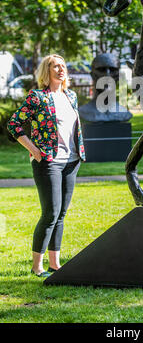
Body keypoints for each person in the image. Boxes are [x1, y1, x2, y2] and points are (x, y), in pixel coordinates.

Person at [7, 54, 86, 277]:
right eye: (55, 66)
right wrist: (33, 150)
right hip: (48, 162)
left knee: (61, 214)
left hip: (71, 161)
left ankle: (55, 264)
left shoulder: (71, 96)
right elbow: (14, 125)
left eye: (63, 66)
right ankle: (36, 266)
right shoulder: (38, 97)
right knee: (50, 213)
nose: (61, 70)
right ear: (46, 71)